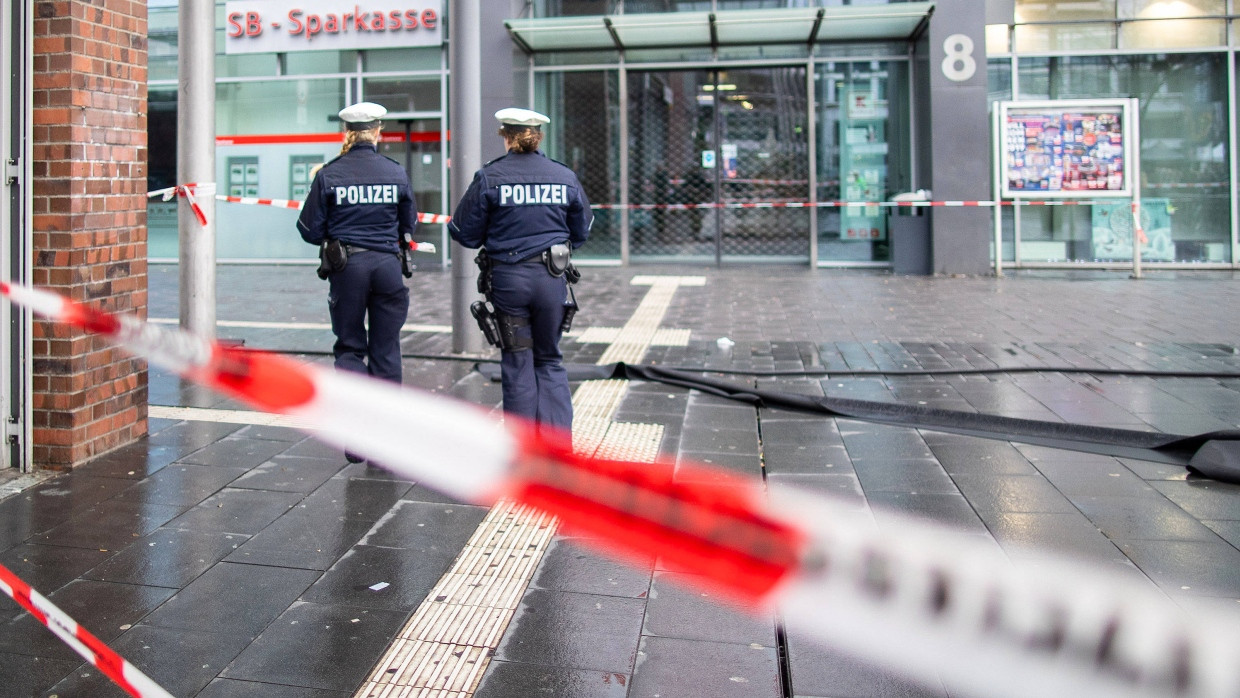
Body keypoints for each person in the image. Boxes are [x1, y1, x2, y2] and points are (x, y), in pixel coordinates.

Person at [448, 107, 592, 436]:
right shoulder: (563, 175)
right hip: (551, 280)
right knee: (550, 360)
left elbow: (463, 232)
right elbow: (581, 232)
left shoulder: (490, 176)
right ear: (537, 136)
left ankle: (523, 451)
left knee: (517, 361)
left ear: (506, 137)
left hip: (509, 280)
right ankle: (557, 451)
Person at [297, 101, 416, 462]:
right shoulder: (395, 172)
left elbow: (309, 229)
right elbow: (408, 223)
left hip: (348, 269)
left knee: (350, 347)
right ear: (378, 132)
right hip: (387, 266)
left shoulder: (330, 173)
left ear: (346, 133)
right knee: (386, 350)